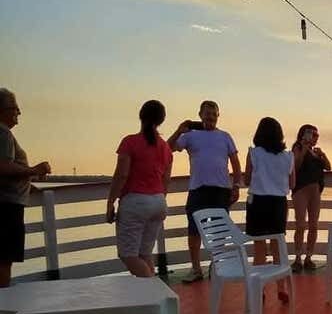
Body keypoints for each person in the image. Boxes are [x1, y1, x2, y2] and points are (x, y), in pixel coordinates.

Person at [168, 100, 242, 283]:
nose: (210, 117)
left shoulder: (225, 136)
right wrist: (179, 130)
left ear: (218, 116)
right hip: (198, 189)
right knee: (194, 230)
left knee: (219, 231)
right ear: (200, 115)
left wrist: (236, 185)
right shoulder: (190, 135)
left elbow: (235, 163)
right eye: (207, 113)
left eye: (213, 113)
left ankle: (217, 266)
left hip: (221, 190)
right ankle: (196, 269)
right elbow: (168, 148)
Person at [106, 100, 173, 277]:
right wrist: (157, 199)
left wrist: (110, 203)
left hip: (135, 202)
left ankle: (155, 293)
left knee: (128, 256)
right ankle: (153, 297)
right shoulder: (165, 147)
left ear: (141, 116)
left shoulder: (130, 142)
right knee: (144, 254)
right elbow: (166, 181)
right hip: (158, 201)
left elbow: (121, 175)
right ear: (161, 120)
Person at [0, 88, 51, 288]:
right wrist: (33, 170)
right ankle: (3, 311)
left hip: (6, 204)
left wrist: (28, 185)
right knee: (4, 259)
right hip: (7, 208)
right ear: (2, 110)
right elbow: (3, 167)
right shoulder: (3, 133)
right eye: (14, 108)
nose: (19, 112)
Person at [244, 117, 295, 302]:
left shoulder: (253, 153)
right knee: (277, 247)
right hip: (278, 204)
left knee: (259, 248)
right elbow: (292, 183)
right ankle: (281, 287)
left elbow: (247, 180)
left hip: (258, 202)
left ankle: (261, 289)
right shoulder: (288, 156)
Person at [291, 124, 330, 272]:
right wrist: (304, 148)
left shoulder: (317, 152)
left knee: (314, 225)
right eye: (312, 134)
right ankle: (297, 258)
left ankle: (308, 257)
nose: (315, 138)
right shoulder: (297, 148)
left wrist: (323, 155)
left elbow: (328, 167)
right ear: (303, 134)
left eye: (316, 135)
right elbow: (295, 165)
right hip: (301, 190)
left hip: (315, 191)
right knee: (300, 225)